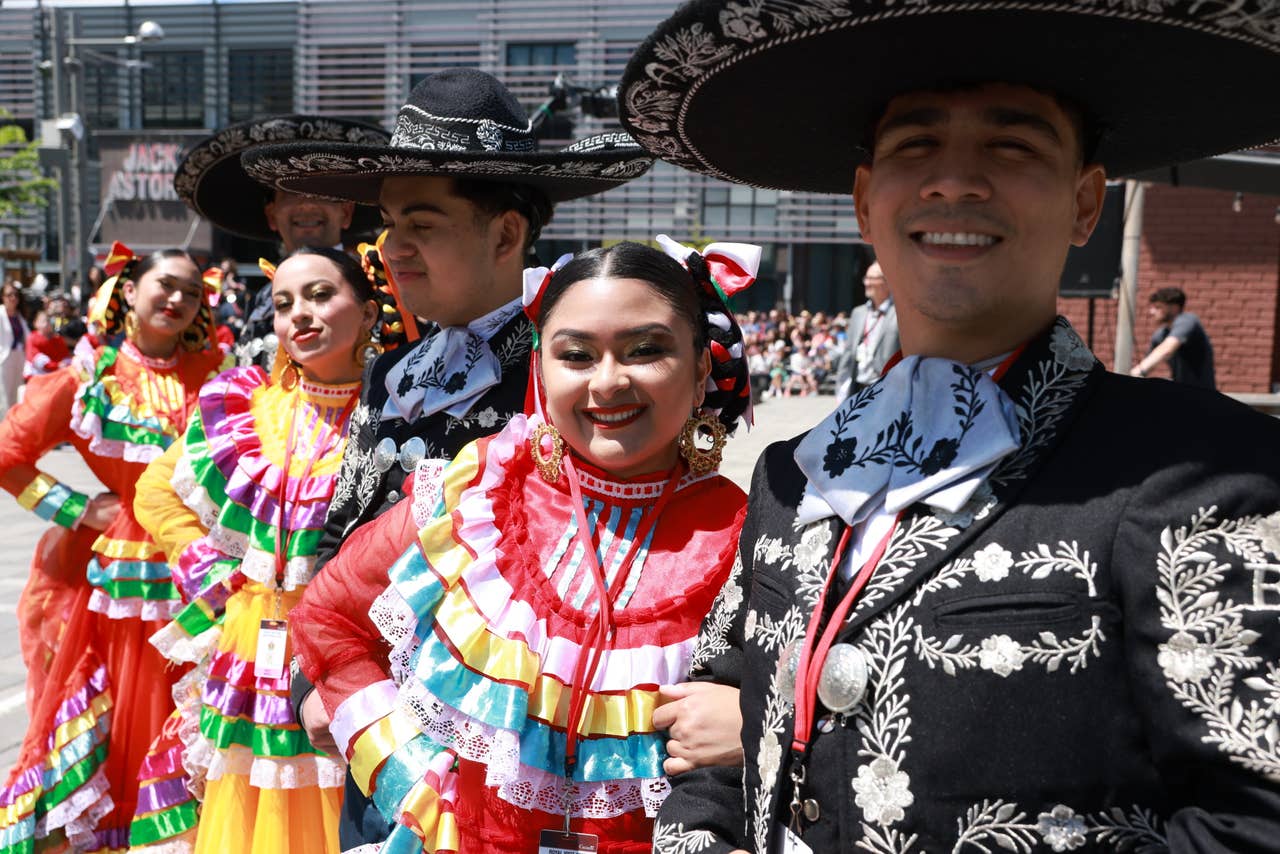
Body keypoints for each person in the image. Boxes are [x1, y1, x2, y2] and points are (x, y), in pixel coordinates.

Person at [620, 2, 1280, 851]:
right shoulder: (792, 476)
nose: (954, 182)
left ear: (1086, 201)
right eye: (915, 146)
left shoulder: (1204, 469)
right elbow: (711, 738)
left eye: (1012, 146)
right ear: (865, 202)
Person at [240, 67, 655, 847]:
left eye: (420, 224)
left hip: (509, 751)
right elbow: (339, 532)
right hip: (373, 727)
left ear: (504, 233)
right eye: (389, 221)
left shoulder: (567, 371)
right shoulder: (392, 369)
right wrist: (313, 682)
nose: (391, 248)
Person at [288, 237, 757, 852]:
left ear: (700, 371)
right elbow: (327, 616)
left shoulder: (748, 536)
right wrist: (412, 779)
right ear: (540, 369)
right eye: (577, 355)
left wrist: (756, 727)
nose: (608, 382)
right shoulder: (481, 491)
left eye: (647, 350)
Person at [126, 247, 403, 853]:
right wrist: (216, 572)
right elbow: (156, 490)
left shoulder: (400, 416)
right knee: (252, 805)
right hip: (252, 635)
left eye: (320, 296)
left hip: (349, 647)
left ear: (369, 310)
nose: (299, 315)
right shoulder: (244, 407)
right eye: (283, 304)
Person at [0, 243, 224, 853]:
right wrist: (76, 508)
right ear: (129, 290)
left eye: (191, 291)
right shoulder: (90, 373)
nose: (177, 299)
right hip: (123, 559)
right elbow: (7, 455)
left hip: (201, 556)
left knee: (189, 688)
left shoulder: (216, 374)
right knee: (124, 689)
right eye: (165, 285)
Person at [174, 114, 392, 370]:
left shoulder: (380, 290)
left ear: (345, 211)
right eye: (289, 191)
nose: (306, 204)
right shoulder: (261, 300)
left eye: (320, 191)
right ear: (271, 215)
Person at [835, 261, 899, 400]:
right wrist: (841, 386)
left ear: (887, 281)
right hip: (858, 388)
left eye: (872, 278)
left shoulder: (899, 313)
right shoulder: (858, 313)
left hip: (886, 389)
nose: (867, 283)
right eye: (866, 278)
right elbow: (848, 352)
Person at [1131, 286, 1216, 389]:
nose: (1152, 312)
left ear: (1174, 308)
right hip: (1182, 393)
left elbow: (1167, 349)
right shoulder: (1161, 334)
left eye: (1158, 307)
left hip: (1203, 395)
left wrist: (1139, 370)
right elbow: (1149, 361)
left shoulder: (1187, 321)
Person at [0, 280, 29, 417]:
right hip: (4, 358)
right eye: (9, 295)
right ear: (3, 297)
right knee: (4, 394)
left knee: (17, 393)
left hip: (19, 357)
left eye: (15, 295)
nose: (13, 298)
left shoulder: (20, 316)